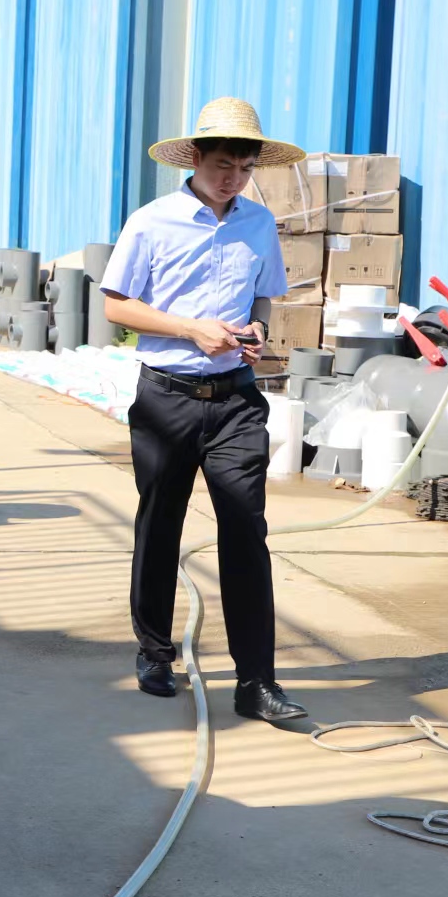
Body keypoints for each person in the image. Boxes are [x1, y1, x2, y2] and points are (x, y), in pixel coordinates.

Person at [99, 97, 307, 724]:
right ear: (194, 159)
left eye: (244, 168)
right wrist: (191, 329)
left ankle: (256, 681)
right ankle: (155, 653)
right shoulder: (152, 222)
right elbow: (116, 305)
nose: (232, 179)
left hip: (236, 400)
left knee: (245, 529)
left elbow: (265, 298)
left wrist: (257, 330)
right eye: (222, 165)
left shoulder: (258, 224)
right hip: (167, 396)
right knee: (160, 524)